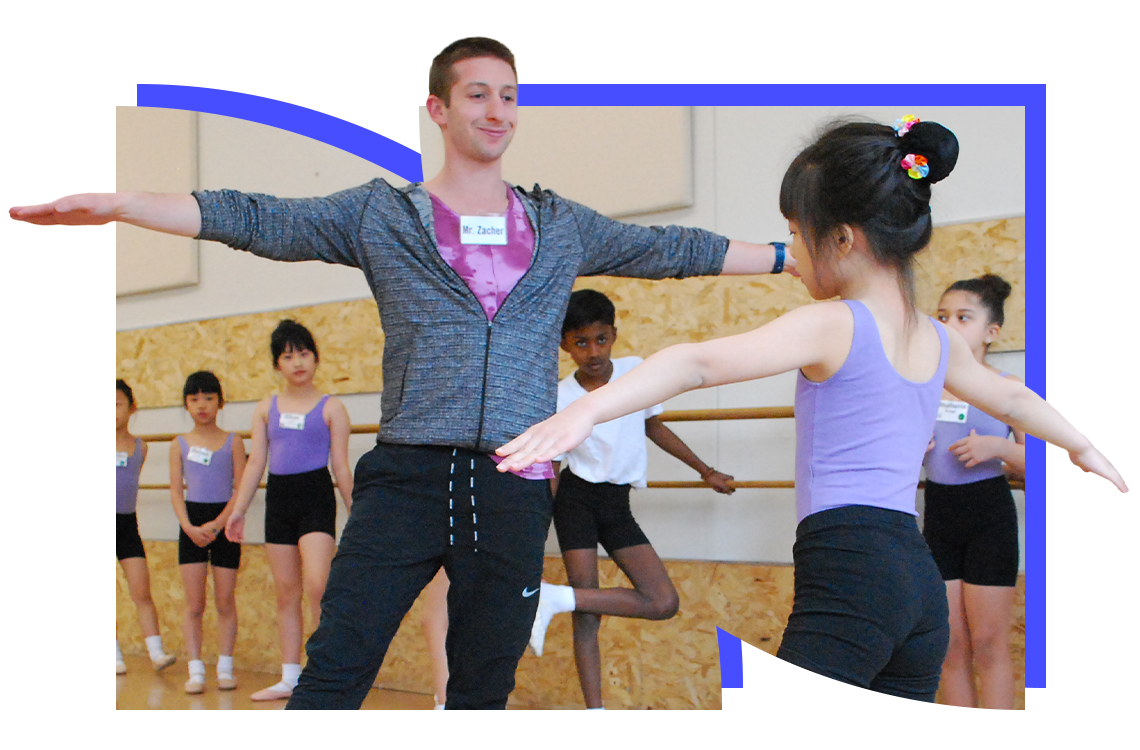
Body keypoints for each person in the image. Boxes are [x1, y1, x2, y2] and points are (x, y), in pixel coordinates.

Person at [16, 38, 793, 709]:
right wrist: (122, 205)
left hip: (514, 483)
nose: (496, 110)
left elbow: (676, 251)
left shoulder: (561, 226)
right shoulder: (380, 216)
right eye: (477, 94)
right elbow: (254, 216)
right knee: (336, 671)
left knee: (483, 688)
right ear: (439, 109)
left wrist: (791, 258)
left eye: (509, 97)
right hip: (406, 480)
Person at [495, 117, 1128, 704]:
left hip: (851, 567)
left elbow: (697, 364)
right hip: (915, 573)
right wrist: (1081, 445)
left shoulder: (834, 322)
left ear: (844, 238)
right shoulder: (934, 337)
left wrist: (583, 412)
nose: (791, 252)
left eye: (796, 235)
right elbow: (1014, 398)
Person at [529, 289, 735, 709]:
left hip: (616, 506)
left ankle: (551, 598)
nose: (592, 351)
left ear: (614, 335)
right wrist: (535, 525)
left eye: (600, 339)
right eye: (580, 342)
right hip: (576, 503)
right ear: (564, 345)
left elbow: (653, 426)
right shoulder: (560, 396)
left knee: (662, 601)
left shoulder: (634, 372)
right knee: (588, 612)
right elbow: (552, 467)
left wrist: (704, 470)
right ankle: (596, 712)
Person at [223, 320, 354, 701]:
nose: (297, 362)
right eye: (287, 356)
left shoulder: (333, 408)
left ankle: (324, 673)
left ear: (315, 358)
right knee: (286, 591)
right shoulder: (267, 408)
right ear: (277, 365)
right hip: (279, 500)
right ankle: (290, 675)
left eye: (304, 353)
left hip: (315, 496)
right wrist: (238, 510)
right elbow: (255, 464)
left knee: (318, 585)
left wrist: (357, 512)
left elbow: (342, 468)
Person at [923, 275, 1024, 709]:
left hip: (989, 516)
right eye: (942, 316)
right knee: (949, 644)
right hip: (939, 516)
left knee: (988, 642)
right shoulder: (923, 387)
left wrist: (998, 447)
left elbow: (1041, 461)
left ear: (990, 332)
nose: (949, 324)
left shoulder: (1006, 385)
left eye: (963, 317)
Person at [170, 371, 247, 694]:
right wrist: (189, 526)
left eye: (209, 398)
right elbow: (176, 492)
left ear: (220, 402)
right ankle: (196, 669)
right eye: (194, 399)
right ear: (186, 404)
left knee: (225, 599)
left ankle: (225, 667)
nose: (202, 405)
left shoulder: (234, 441)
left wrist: (218, 524)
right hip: (191, 523)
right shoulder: (179, 444)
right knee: (194, 602)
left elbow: (241, 488)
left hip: (224, 523)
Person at [116, 379, 177, 674]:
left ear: (131, 408)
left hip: (127, 524)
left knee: (141, 589)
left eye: (117, 405)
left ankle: (155, 651)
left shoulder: (141, 446)